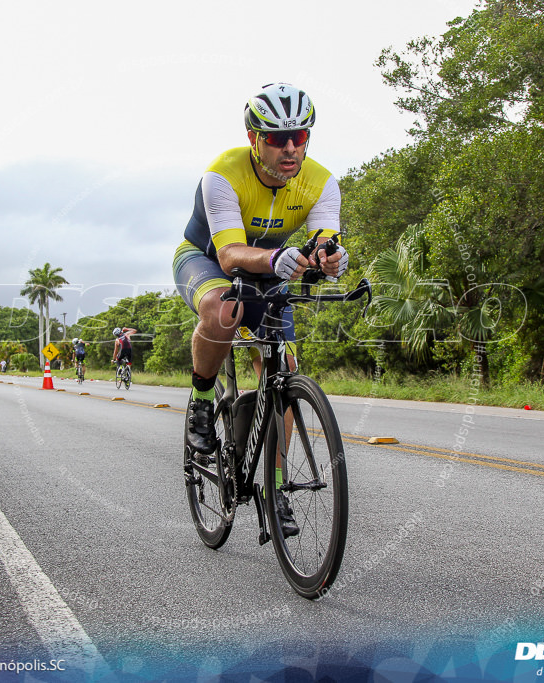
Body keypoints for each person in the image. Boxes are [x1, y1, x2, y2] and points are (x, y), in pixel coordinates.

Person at [172, 83, 349, 535]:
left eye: (300, 137)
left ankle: (273, 486)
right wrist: (275, 260)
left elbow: (324, 239)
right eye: (276, 138)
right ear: (254, 138)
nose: (290, 148)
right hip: (206, 257)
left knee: (283, 368)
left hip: (271, 267)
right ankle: (203, 400)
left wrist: (330, 257)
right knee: (223, 310)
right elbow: (230, 256)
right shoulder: (222, 175)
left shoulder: (322, 181)